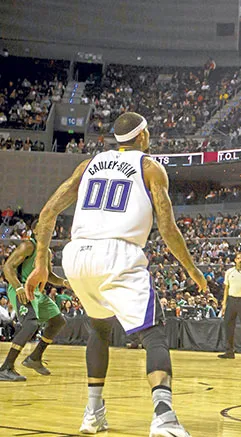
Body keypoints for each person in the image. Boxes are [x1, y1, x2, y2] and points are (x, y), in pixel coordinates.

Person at [25, 112, 206, 436]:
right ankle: (163, 418)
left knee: (100, 329)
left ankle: (93, 414)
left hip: (77, 255)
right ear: (143, 136)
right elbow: (166, 226)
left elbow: (48, 211)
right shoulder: (149, 167)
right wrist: (191, 269)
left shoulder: (88, 165)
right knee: (154, 334)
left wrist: (41, 263)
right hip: (117, 254)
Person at [0, 231, 68, 381]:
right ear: (38, 230)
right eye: (47, 227)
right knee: (30, 324)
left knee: (58, 321)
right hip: (21, 287)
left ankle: (35, 358)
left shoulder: (47, 251)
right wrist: (18, 287)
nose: (50, 231)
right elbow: (8, 267)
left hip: (36, 290)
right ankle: (6, 367)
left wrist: (64, 282)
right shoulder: (28, 245)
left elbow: (48, 275)